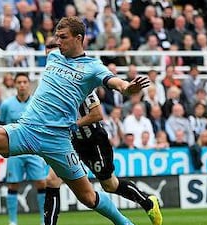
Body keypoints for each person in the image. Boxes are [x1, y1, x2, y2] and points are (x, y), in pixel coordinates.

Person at [0, 16, 150, 225]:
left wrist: (129, 87)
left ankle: (124, 222)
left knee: (87, 197)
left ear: (79, 37)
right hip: (27, 130)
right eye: (56, 36)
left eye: (63, 36)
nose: (57, 41)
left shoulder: (93, 67)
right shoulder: (54, 54)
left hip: (58, 141)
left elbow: (116, 83)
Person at [43, 39, 162, 225]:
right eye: (48, 54)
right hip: (70, 142)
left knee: (109, 185)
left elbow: (97, 114)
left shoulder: (79, 83)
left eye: (55, 53)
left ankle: (147, 202)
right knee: (51, 180)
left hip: (93, 140)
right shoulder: (50, 85)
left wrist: (73, 124)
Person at [0, 72, 47, 225]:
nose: (22, 85)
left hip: (34, 150)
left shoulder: (37, 103)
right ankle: (13, 221)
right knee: (13, 184)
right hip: (14, 151)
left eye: (25, 82)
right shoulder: (6, 105)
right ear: (14, 84)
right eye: (19, 82)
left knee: (41, 183)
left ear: (29, 84)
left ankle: (43, 219)